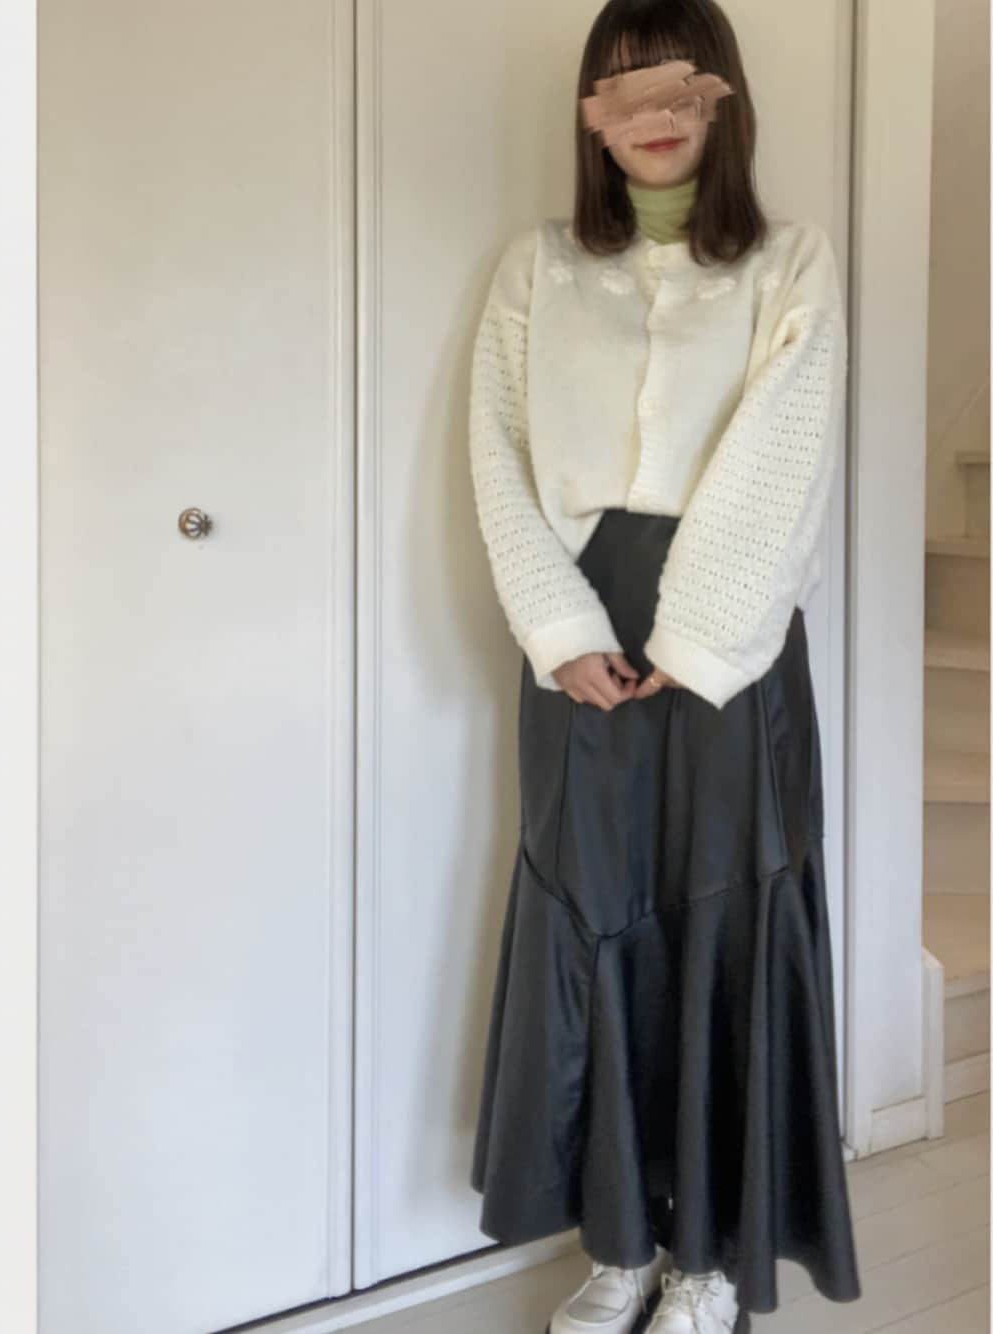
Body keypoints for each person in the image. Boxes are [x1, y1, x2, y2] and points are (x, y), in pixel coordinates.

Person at [466, 1, 863, 1331]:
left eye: (678, 81)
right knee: (596, 916)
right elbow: (497, 450)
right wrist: (559, 628)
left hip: (734, 643)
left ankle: (708, 1259)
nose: (653, 109)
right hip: (579, 628)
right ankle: (624, 1244)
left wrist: (700, 636)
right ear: (590, 112)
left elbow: (786, 449)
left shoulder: (789, 262)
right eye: (622, 82)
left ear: (721, 97)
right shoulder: (537, 268)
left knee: (723, 925)